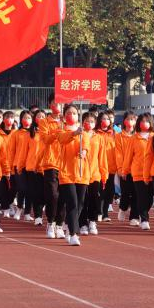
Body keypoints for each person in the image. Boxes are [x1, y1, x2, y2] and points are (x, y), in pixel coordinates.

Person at [56, 105, 90, 245]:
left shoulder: (84, 133)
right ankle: (73, 234)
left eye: (75, 113)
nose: (72, 115)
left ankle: (69, 225)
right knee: (72, 203)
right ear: (64, 116)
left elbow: (86, 146)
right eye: (69, 113)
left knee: (80, 204)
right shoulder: (61, 130)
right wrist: (75, 133)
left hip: (82, 172)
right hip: (66, 173)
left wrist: (84, 152)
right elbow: (62, 139)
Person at [40, 94, 66, 239]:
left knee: (63, 195)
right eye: (55, 103)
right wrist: (58, 130)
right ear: (50, 105)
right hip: (51, 162)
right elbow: (46, 140)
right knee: (53, 195)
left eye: (61, 103)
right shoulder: (44, 122)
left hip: (66, 163)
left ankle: (60, 224)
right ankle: (50, 222)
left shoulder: (68, 121)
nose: (58, 106)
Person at [123, 113, 154, 230]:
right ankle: (144, 219)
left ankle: (142, 213)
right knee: (141, 196)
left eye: (147, 121)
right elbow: (128, 156)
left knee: (149, 198)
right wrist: (125, 170)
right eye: (142, 121)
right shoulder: (134, 138)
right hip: (138, 172)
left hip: (152, 172)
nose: (144, 123)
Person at [115, 111, 137, 223]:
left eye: (132, 119)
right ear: (124, 121)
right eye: (128, 119)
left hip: (137, 170)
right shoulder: (119, 136)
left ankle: (134, 217)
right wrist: (121, 169)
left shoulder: (138, 136)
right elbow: (118, 154)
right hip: (125, 169)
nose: (130, 121)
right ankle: (123, 208)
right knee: (125, 193)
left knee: (136, 193)